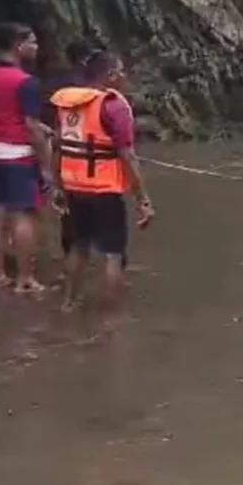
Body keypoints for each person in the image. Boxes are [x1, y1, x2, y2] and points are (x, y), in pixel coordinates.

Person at [50, 50, 154, 313]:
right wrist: (142, 199)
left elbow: (58, 148)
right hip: (104, 191)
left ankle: (68, 304)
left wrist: (58, 186)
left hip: (74, 187)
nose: (123, 77)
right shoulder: (114, 106)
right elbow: (127, 155)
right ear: (109, 75)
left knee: (78, 247)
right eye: (119, 72)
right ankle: (113, 316)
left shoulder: (67, 104)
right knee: (114, 254)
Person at [0, 22, 54, 292]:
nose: (36, 46)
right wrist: (46, 165)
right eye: (32, 41)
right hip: (19, 155)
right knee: (23, 216)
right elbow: (30, 125)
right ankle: (25, 278)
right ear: (18, 46)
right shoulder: (26, 82)